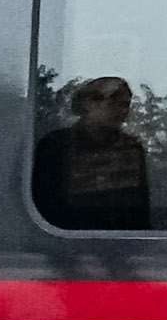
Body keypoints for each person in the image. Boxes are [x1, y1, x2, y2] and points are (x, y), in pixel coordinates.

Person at [31, 74, 155, 230]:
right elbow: (44, 205)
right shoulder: (55, 144)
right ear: (87, 104)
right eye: (112, 102)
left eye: (125, 104)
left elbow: (139, 211)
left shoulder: (131, 148)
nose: (121, 111)